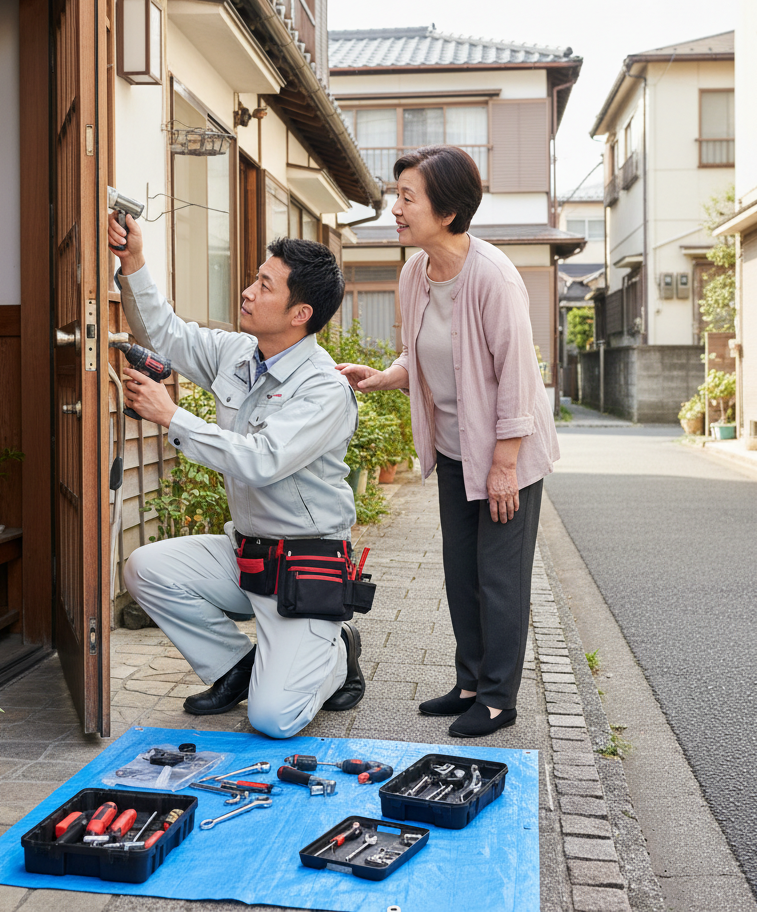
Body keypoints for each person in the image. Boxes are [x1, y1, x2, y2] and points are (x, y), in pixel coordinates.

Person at [108, 210, 365, 740]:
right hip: (246, 554)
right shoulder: (238, 353)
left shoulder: (323, 389)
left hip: (305, 570)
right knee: (145, 568)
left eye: (264, 286)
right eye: (254, 278)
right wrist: (132, 261)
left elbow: (260, 458)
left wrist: (171, 415)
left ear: (300, 313)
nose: (248, 292)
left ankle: (337, 652)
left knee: (274, 720)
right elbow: (166, 333)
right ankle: (235, 667)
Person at [337, 144, 559, 738]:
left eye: (408, 197)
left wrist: (505, 465)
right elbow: (425, 352)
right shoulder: (416, 273)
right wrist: (388, 375)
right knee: (461, 571)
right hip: (457, 450)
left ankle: (497, 697)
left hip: (507, 454)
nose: (395, 209)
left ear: (449, 210)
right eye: (397, 196)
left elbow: (517, 376)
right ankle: (468, 682)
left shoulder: (492, 277)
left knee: (499, 577)